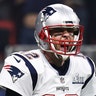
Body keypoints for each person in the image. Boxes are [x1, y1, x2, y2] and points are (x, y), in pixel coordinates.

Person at [0, 3, 96, 96]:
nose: (67, 36)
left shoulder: (85, 67)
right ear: (42, 36)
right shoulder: (25, 66)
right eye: (58, 31)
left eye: (72, 31)